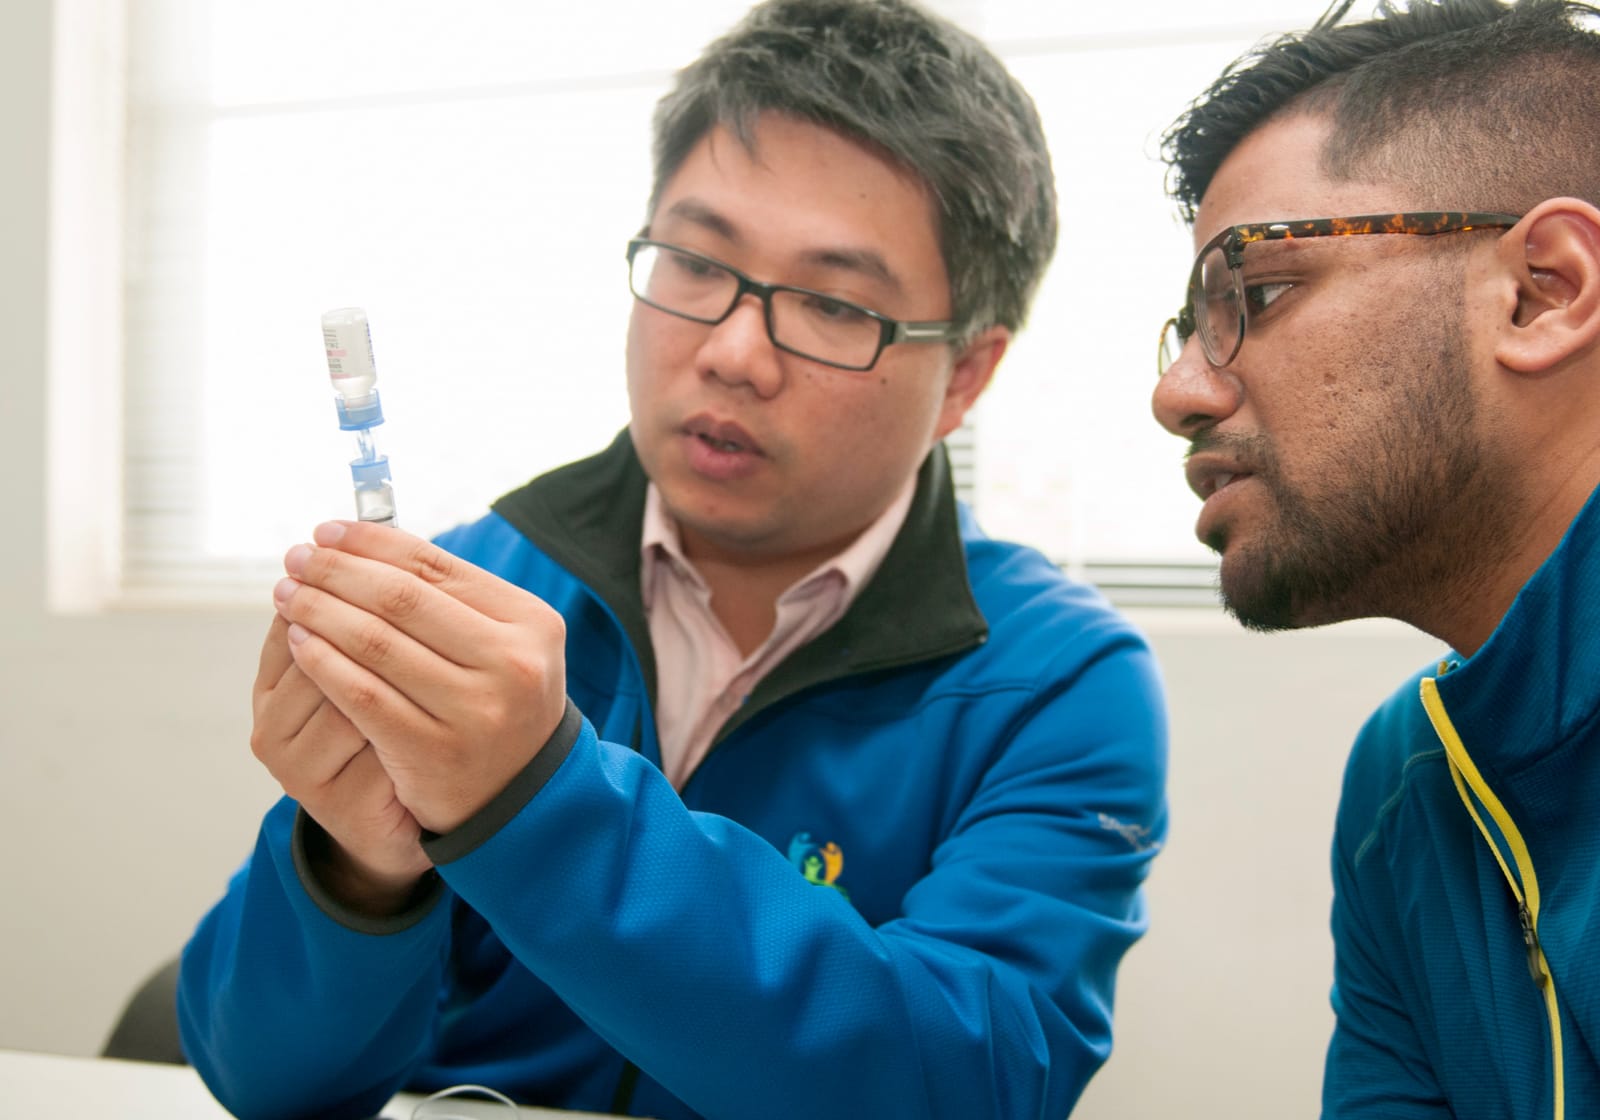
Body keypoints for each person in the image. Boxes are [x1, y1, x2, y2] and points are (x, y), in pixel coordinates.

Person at [178, 2, 1169, 1118]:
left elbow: (968, 1081)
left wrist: (534, 797)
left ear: (966, 378)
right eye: (696, 262)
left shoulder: (1055, 681)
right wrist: (354, 866)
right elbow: (260, 1080)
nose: (732, 351)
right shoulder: (481, 591)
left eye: (834, 304)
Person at [1151, 0, 1600, 1116]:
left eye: (1256, 293)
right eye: (1187, 331)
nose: (1179, 395)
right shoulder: (1408, 785)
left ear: (1543, 289)